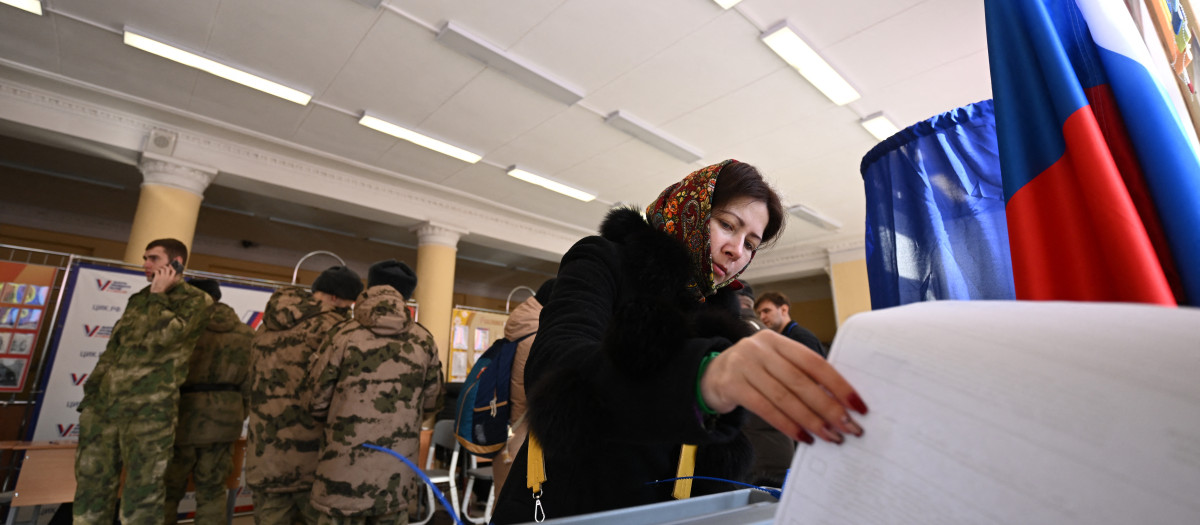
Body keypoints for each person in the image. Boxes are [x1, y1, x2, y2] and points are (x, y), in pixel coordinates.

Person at [491, 160, 868, 523]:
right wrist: (703, 376)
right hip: (570, 502)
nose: (737, 251)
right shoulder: (603, 259)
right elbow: (557, 365)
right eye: (726, 224)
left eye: (751, 243)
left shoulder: (721, 314)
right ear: (691, 207)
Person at [74, 238, 213, 525]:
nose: (145, 265)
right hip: (105, 409)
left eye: (153, 259)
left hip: (149, 413)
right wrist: (91, 398)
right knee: (92, 487)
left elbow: (168, 337)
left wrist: (159, 295)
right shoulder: (138, 299)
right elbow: (113, 351)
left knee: (143, 494)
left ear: (176, 263)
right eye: (145, 258)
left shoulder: (196, 300)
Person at [305, 260, 443, 525]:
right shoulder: (424, 340)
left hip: (340, 475)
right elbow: (431, 403)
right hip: (395, 478)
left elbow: (316, 401)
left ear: (370, 285)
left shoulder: (342, 334)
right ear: (408, 295)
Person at [246, 266, 362, 525]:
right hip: (314, 461)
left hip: (264, 456)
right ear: (336, 298)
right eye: (349, 303)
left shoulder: (264, 328)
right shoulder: (336, 329)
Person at [163, 279, 255, 525]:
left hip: (181, 418)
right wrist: (238, 412)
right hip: (225, 420)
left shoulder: (180, 327)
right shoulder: (246, 333)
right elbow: (250, 383)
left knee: (167, 493)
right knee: (212, 492)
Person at [491, 278, 556, 500]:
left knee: (502, 503)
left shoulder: (518, 332)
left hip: (507, 435)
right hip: (526, 441)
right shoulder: (537, 338)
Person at [754, 291, 827, 358]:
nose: (762, 317)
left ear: (784, 310)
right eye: (759, 313)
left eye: (766, 311)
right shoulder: (780, 339)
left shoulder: (801, 338)